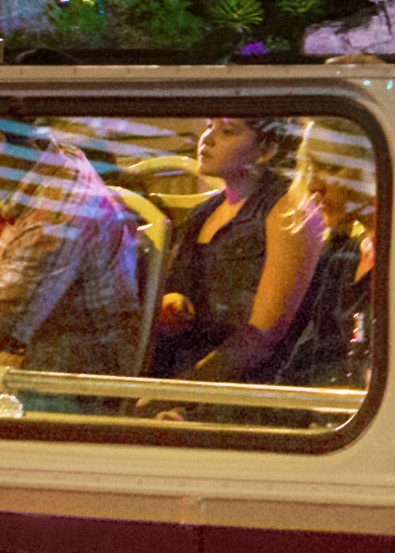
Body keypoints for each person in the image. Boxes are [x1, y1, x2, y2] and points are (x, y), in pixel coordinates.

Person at [150, 117, 325, 381]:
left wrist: (181, 390)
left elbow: (264, 335)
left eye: (227, 131)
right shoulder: (201, 214)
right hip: (187, 370)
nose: (208, 139)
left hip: (248, 382)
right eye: (209, 126)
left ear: (266, 150)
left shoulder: (287, 208)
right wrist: (170, 311)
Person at [0, 131, 143, 380]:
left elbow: (6, 317)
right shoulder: (37, 176)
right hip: (25, 360)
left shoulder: (61, 203)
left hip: (74, 382)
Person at [276, 129, 379, 388]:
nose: (313, 186)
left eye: (332, 168)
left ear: (377, 168)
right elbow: (300, 373)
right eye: (312, 169)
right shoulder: (342, 262)